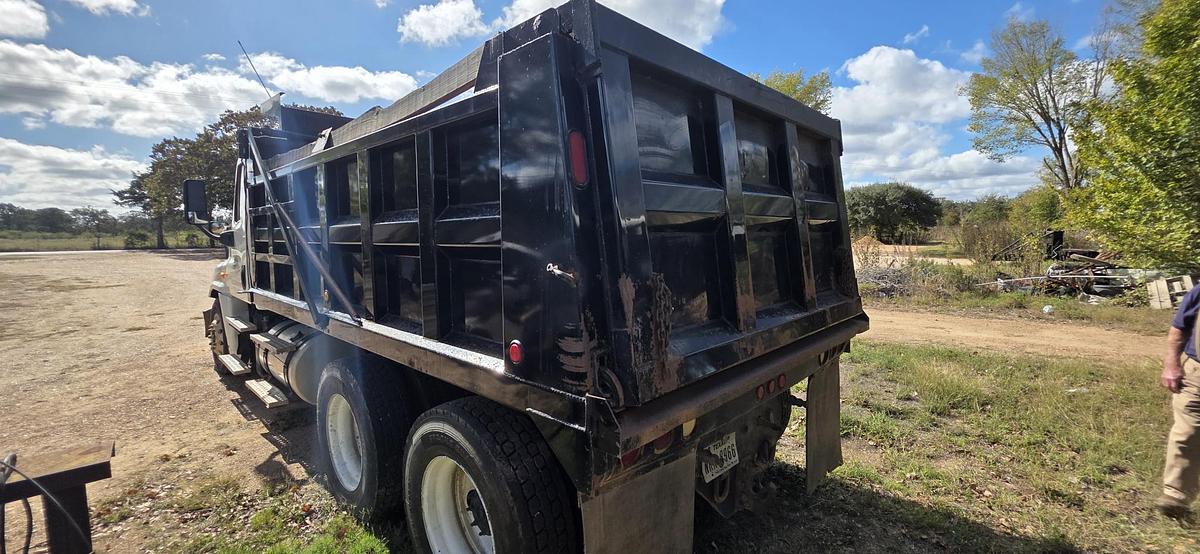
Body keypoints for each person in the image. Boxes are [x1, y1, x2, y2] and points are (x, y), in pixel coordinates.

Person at [1158, 284, 1200, 518]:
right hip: (1197, 373)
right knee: (1187, 432)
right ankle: (1176, 495)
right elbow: (1179, 328)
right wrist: (1171, 364)